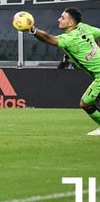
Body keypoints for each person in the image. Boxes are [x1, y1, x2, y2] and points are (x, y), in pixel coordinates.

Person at [28, 7, 100, 136]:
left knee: (86, 103)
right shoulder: (84, 27)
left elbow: (49, 39)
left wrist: (32, 29)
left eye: (62, 17)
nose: (59, 19)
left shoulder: (69, 39)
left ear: (71, 23)